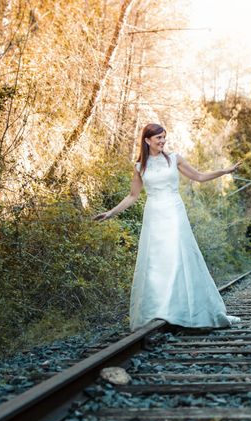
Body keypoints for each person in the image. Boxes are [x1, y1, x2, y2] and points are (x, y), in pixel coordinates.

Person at [94, 123, 241, 330]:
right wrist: (111, 212)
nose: (162, 141)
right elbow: (133, 196)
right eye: (158, 139)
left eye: (164, 138)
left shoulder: (174, 159)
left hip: (174, 213)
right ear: (147, 141)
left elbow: (199, 176)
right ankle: (160, 311)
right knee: (156, 262)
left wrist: (225, 171)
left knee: (177, 258)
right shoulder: (140, 167)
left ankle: (183, 311)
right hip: (154, 215)